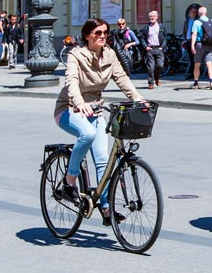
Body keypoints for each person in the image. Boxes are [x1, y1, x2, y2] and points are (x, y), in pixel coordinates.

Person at [53, 18, 146, 226]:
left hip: (95, 109)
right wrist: (79, 102)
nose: (102, 36)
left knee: (103, 159)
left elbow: (121, 78)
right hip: (69, 108)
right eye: (97, 33)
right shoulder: (76, 55)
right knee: (87, 134)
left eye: (105, 32)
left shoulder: (110, 54)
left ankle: (105, 208)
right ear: (87, 35)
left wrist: (137, 98)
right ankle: (69, 182)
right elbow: (72, 82)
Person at [189, 5, 212, 89]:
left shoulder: (196, 22)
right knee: (209, 64)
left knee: (197, 64)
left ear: (198, 13)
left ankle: (196, 83)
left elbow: (194, 34)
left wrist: (192, 45)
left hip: (200, 44)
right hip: (210, 44)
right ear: (206, 13)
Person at [137, 10, 165, 88]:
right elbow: (142, 38)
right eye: (151, 16)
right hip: (150, 49)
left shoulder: (161, 27)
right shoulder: (146, 27)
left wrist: (162, 47)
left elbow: (165, 37)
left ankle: (157, 78)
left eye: (154, 16)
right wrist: (146, 47)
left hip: (159, 49)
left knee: (160, 65)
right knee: (150, 67)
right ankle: (151, 83)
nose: (152, 18)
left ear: (157, 17)